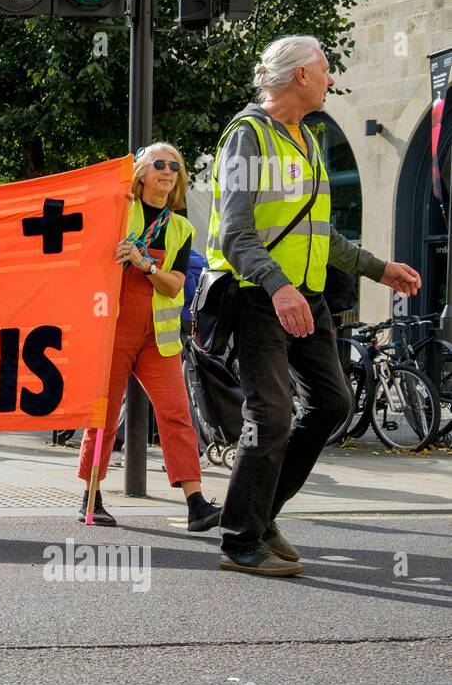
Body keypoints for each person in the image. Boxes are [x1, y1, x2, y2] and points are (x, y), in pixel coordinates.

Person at [208, 35, 420, 577]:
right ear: (300, 75)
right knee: (272, 414)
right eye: (325, 70)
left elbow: (321, 234)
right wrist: (279, 287)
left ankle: (260, 514)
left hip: (307, 298)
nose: (332, 79)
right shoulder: (247, 136)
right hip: (260, 297)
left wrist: (379, 268)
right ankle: (239, 539)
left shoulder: (308, 139)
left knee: (332, 405)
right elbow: (236, 232)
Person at [77, 144, 221, 531]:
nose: (168, 170)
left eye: (175, 165)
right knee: (103, 416)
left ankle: (195, 504)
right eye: (159, 164)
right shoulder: (119, 210)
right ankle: (91, 498)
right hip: (115, 329)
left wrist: (145, 263)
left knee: (177, 415)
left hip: (159, 338)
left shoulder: (182, 228)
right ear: (141, 172)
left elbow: (175, 285)